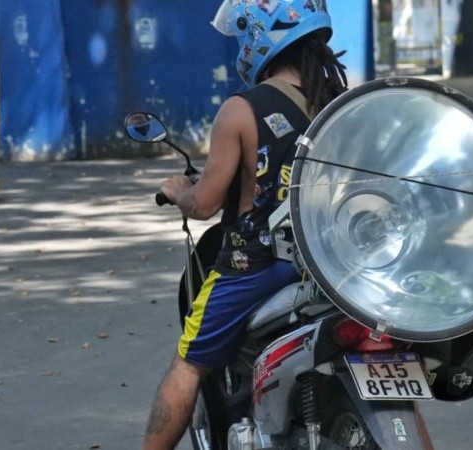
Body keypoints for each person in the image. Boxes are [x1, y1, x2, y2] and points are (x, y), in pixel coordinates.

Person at [140, 1, 347, 449]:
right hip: (335, 266)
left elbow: (205, 204)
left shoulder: (241, 110)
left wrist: (179, 191)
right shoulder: (341, 103)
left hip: (256, 265)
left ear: (256, 37)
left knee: (189, 363)